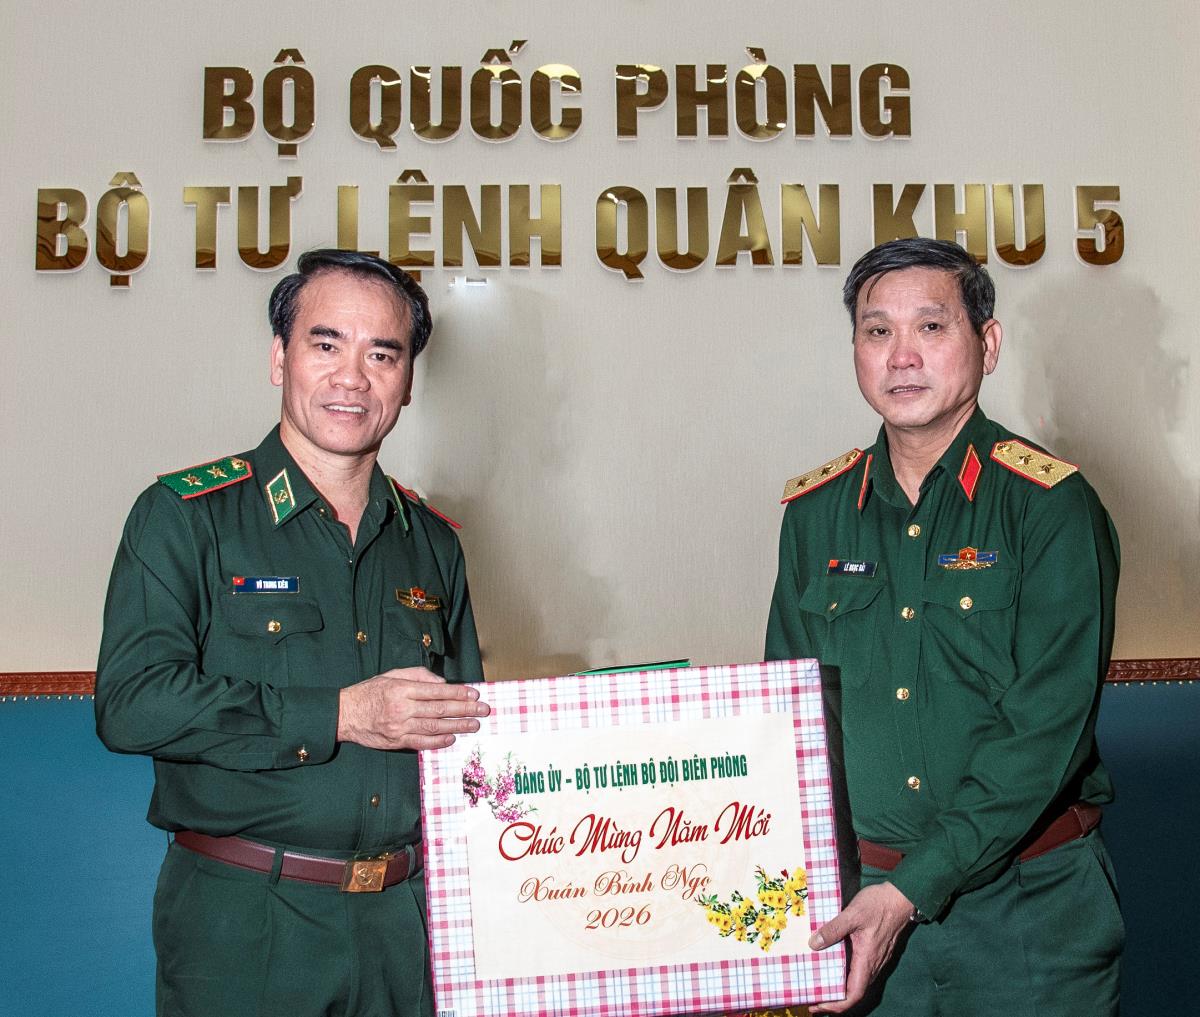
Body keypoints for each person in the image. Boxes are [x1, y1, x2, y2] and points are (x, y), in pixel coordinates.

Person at [95, 249, 491, 1017]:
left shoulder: (433, 542)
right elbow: (132, 705)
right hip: (248, 927)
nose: (353, 378)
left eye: (383, 354)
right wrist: (339, 713)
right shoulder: (186, 517)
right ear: (280, 357)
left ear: (408, 381)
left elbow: (471, 743)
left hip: (405, 929)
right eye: (326, 344)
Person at [765, 238, 1122, 1015]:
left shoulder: (1049, 507)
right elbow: (789, 724)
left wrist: (911, 888)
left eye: (931, 326)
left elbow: (1044, 732)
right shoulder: (815, 515)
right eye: (877, 331)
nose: (902, 356)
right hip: (860, 912)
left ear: (987, 344)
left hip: (1028, 918)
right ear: (855, 350)